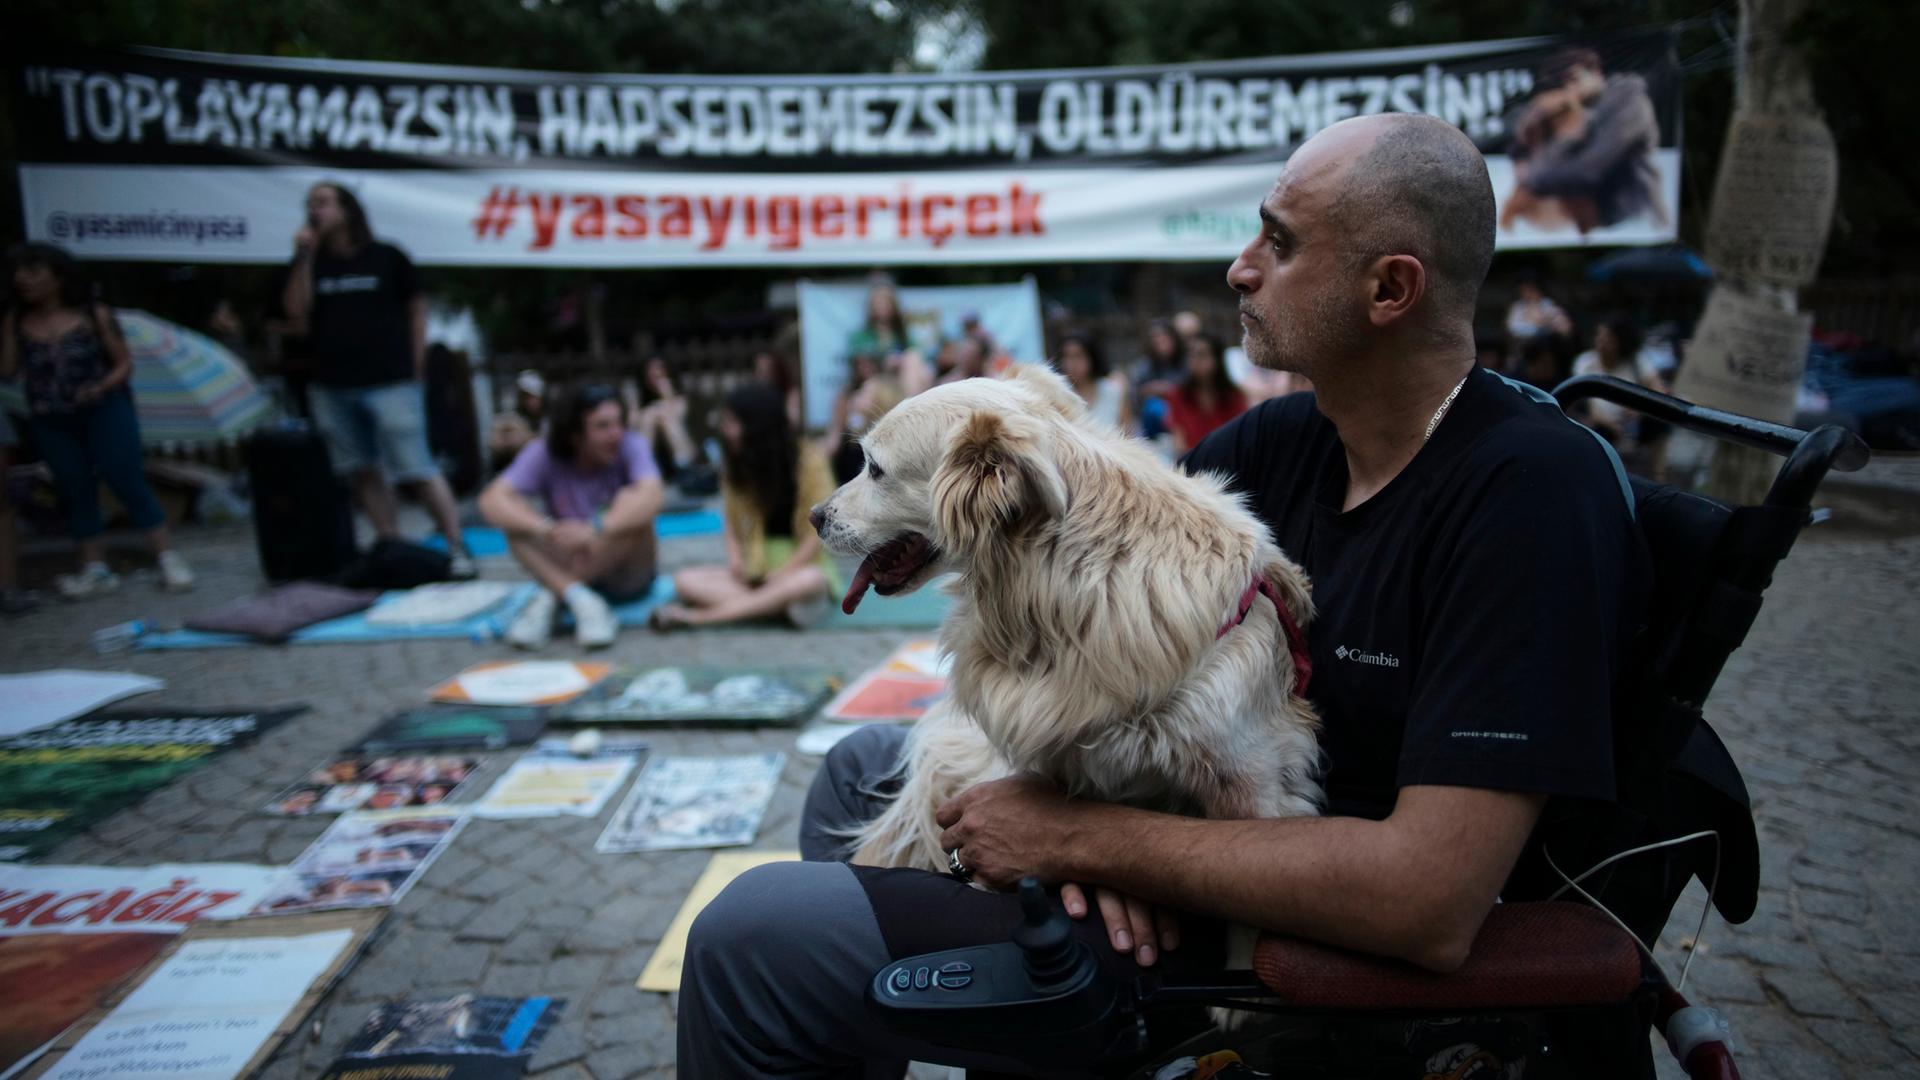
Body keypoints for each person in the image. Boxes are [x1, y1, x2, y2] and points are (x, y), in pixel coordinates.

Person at [679, 113, 1649, 1078]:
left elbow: (1429, 902)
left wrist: (1086, 838)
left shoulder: (1527, 498)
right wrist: (1093, 832)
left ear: (1389, 288)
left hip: (1280, 956)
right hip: (1169, 851)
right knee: (855, 766)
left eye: (1279, 241)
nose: (1241, 267)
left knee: (749, 935)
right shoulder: (1279, 447)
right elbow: (1070, 585)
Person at [282, 181, 474, 577]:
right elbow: (297, 316)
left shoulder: (386, 257)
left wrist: (416, 367)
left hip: (391, 380)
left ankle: (456, 545)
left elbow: (417, 311)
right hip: (332, 383)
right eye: (311, 204)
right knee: (362, 470)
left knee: (417, 466)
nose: (316, 210)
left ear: (348, 210)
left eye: (324, 202)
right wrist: (303, 257)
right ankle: (391, 547)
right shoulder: (311, 263)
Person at [1, 243, 193, 597]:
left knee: (125, 475)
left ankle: (167, 557)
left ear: (57, 276)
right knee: (73, 484)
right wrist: (9, 327)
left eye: (33, 271)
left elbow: (123, 364)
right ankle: (95, 567)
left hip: (103, 408)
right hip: (49, 415)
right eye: (18, 272)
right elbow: (8, 372)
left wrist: (100, 387)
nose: (22, 279)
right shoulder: (17, 321)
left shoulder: (93, 314)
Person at [479, 383, 664, 649]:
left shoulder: (631, 445)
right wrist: (546, 529)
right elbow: (492, 500)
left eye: (618, 423)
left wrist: (596, 528)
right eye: (602, 426)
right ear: (575, 435)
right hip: (568, 552)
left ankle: (556, 593)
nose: (616, 434)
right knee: (516, 521)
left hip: (623, 575)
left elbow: (653, 496)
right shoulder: (544, 451)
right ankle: (581, 599)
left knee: (632, 508)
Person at [651, 383, 838, 630]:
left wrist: (781, 576)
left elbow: (818, 532)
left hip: (800, 567)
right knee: (684, 580)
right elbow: (730, 523)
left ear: (756, 426)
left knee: (810, 581)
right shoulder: (737, 466)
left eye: (731, 422)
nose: (725, 429)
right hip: (755, 570)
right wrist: (737, 561)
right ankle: (774, 607)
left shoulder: (809, 461)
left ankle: (699, 618)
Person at [1503, 47, 1668, 235]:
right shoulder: (1578, 110)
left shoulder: (1628, 102)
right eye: (1561, 84)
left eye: (1573, 79)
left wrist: (1568, 134)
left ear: (1596, 72)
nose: (1569, 90)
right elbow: (1526, 153)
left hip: (1634, 218)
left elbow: (1585, 171)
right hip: (1597, 223)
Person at [1163, 332, 1247, 454]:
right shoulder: (1178, 395)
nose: (1195, 361)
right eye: (1191, 355)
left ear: (1216, 359)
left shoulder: (1234, 396)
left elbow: (1242, 439)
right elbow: (1179, 445)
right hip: (1192, 465)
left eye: (1202, 355)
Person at [631, 356, 700, 481]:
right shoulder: (638, 398)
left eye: (660, 368)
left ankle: (684, 467)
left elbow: (677, 419)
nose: (655, 372)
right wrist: (649, 413)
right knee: (648, 418)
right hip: (653, 453)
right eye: (651, 369)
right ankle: (643, 469)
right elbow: (632, 426)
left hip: (681, 450)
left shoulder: (679, 398)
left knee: (667, 419)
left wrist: (667, 395)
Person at [1057, 334, 1130, 431]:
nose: (1070, 364)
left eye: (1078, 356)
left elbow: (1127, 435)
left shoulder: (1112, 391)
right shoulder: (1058, 395)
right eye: (1066, 357)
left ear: (1092, 358)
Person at [1504, 280, 1573, 343]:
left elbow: (1566, 329)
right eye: (1524, 290)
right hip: (1523, 344)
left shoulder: (1548, 304)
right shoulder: (1517, 306)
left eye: (1531, 290)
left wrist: (1544, 322)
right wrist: (1538, 322)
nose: (1527, 293)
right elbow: (1512, 328)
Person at [753, 348, 803, 429]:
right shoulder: (753, 394)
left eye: (768, 370)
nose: (764, 377)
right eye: (760, 371)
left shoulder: (790, 393)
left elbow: (794, 421)